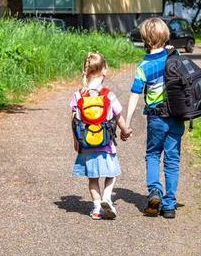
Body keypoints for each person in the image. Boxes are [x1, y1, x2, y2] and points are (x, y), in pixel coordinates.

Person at [124, 18, 185, 219]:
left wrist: (127, 122)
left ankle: (155, 191)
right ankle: (169, 205)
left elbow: (134, 95)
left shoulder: (143, 66)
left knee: (152, 155)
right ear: (166, 36)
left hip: (156, 118)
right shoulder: (174, 57)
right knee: (172, 160)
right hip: (176, 116)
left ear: (144, 39)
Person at [71, 52, 133, 220]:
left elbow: (75, 120)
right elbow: (118, 117)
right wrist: (125, 131)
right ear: (104, 70)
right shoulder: (108, 94)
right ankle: (107, 196)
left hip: (86, 144)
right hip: (106, 144)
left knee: (93, 178)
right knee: (111, 174)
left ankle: (97, 208)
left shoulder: (78, 95)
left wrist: (76, 140)